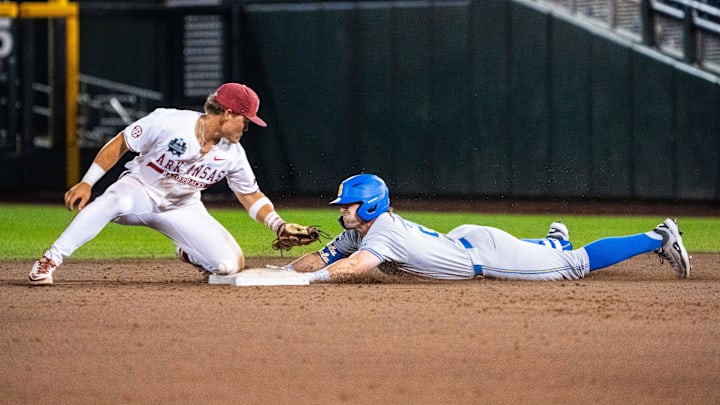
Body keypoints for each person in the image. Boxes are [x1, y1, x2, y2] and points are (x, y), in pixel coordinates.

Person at [29, 83, 297, 285]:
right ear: (228, 113)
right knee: (114, 200)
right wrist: (87, 183)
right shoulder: (169, 122)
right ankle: (50, 259)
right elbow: (121, 143)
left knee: (228, 266)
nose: (246, 127)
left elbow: (249, 194)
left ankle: (190, 252)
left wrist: (278, 224)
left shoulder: (233, 153)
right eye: (245, 120)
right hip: (138, 193)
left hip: (182, 209)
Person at [285, 173, 691, 283]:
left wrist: (309, 281)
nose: (342, 211)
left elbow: (354, 268)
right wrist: (285, 272)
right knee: (553, 252)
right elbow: (324, 258)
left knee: (575, 265)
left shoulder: (382, 232)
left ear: (370, 204)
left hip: (485, 256)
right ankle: (552, 241)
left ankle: (659, 236)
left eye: (349, 205)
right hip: (465, 240)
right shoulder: (360, 229)